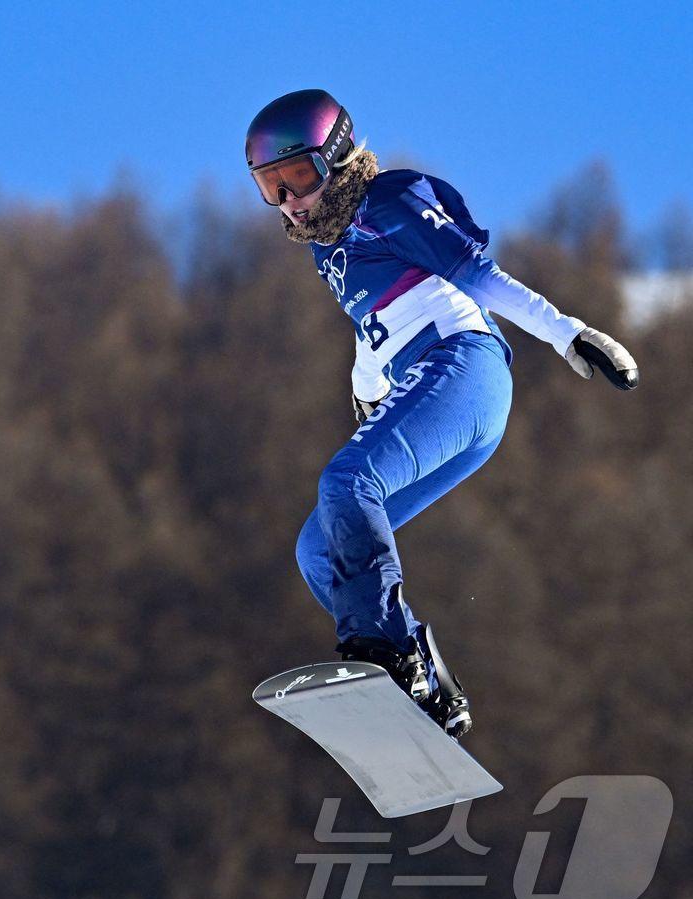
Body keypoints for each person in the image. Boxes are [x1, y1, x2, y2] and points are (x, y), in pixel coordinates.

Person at [245, 89, 639, 737]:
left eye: (299, 176)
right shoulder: (330, 246)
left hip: (464, 367)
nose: (289, 200)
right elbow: (375, 323)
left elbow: (477, 275)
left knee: (347, 482)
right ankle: (427, 685)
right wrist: (367, 388)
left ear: (339, 159)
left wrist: (566, 332)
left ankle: (387, 654)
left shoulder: (386, 203)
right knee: (318, 547)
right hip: (432, 390)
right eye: (270, 186)